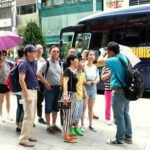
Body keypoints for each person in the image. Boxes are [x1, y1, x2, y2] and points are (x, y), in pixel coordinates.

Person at [97, 41, 132, 144]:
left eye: (108, 51)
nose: (107, 53)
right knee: (125, 113)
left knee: (118, 116)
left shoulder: (115, 60)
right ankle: (128, 137)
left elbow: (99, 62)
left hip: (118, 91)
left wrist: (103, 54)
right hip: (126, 90)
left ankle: (119, 138)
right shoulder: (124, 58)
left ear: (111, 51)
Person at [37, 45, 62, 134]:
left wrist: (62, 84)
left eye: (57, 51)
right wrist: (46, 83)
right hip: (50, 88)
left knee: (56, 107)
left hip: (58, 88)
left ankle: (54, 124)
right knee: (48, 107)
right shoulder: (46, 63)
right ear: (50, 52)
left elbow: (61, 74)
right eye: (54, 51)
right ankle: (48, 125)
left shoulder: (60, 63)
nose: (56, 53)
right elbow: (39, 74)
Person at [18, 45, 39, 147]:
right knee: (28, 116)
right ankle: (23, 139)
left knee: (32, 115)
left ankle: (28, 135)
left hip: (34, 91)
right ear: (28, 53)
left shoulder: (32, 63)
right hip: (28, 92)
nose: (36, 53)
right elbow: (21, 80)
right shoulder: (23, 64)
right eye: (34, 51)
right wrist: (27, 95)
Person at [63, 54, 78, 143]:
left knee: (70, 116)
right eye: (76, 59)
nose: (78, 61)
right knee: (67, 117)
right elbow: (65, 82)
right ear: (71, 61)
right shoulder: (68, 71)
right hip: (68, 95)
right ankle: (66, 136)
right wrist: (65, 96)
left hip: (73, 95)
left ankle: (68, 134)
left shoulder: (73, 71)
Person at [84, 50, 100, 132]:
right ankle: (81, 125)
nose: (92, 56)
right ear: (87, 56)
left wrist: (95, 82)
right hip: (85, 89)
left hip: (93, 89)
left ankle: (90, 124)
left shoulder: (95, 67)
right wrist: (86, 82)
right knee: (84, 108)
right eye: (90, 55)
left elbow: (98, 78)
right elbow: (81, 78)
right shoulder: (84, 67)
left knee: (91, 108)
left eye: (93, 55)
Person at [70, 58, 86, 136]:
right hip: (74, 96)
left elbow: (82, 84)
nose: (83, 65)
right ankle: (71, 128)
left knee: (79, 113)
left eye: (84, 63)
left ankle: (76, 128)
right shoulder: (73, 73)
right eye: (81, 63)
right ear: (78, 63)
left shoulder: (83, 74)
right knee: (73, 114)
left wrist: (84, 92)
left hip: (81, 96)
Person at [0, 50, 13, 122]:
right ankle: (1, 115)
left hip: (8, 84)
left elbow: (11, 72)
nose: (4, 56)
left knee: (8, 100)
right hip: (1, 84)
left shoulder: (9, 64)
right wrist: (1, 67)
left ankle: (8, 114)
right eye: (2, 54)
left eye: (5, 54)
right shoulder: (0, 64)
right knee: (1, 101)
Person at [35, 44, 46, 124]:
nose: (39, 50)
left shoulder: (44, 61)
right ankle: (31, 119)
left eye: (41, 49)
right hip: (33, 82)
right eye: (38, 49)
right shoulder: (32, 59)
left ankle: (39, 116)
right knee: (32, 100)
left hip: (41, 82)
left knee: (40, 100)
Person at [15, 48, 25, 133]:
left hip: (17, 90)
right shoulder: (22, 63)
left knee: (19, 107)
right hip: (22, 90)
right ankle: (20, 125)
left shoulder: (16, 62)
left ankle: (17, 123)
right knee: (23, 108)